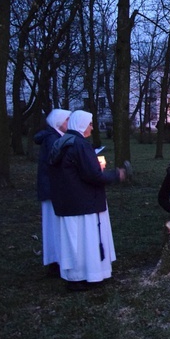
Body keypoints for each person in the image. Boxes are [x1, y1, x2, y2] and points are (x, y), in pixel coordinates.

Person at [48, 110, 127, 291]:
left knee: (74, 242)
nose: (92, 127)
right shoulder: (80, 145)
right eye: (90, 124)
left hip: (68, 201)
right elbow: (92, 176)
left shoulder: (62, 142)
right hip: (83, 202)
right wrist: (116, 174)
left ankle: (76, 277)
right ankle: (88, 276)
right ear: (82, 125)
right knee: (86, 240)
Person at [34, 108, 71, 276]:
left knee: (54, 225)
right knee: (54, 225)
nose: (69, 123)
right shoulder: (52, 139)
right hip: (52, 189)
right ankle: (55, 261)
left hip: (52, 187)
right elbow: (57, 162)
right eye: (66, 120)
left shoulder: (55, 137)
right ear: (58, 122)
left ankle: (56, 259)